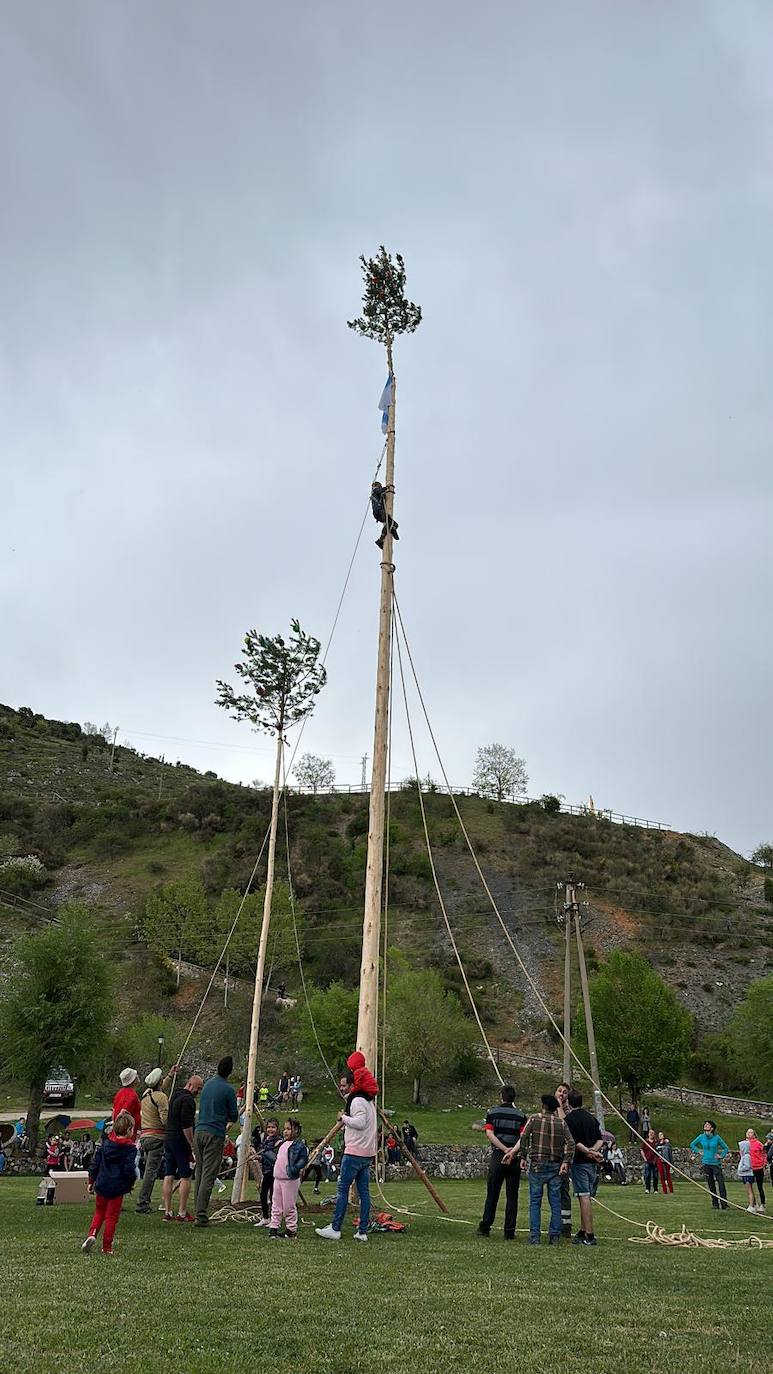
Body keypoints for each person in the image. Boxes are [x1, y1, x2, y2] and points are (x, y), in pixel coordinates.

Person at [316, 1052, 379, 1243]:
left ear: (353, 1084)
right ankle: (362, 1231)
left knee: (342, 1189)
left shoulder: (358, 1100)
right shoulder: (369, 1102)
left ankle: (335, 1228)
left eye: (344, 1085)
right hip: (366, 1153)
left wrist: (343, 1118)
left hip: (355, 1153)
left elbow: (359, 1123)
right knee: (364, 1193)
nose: (341, 1088)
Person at [516, 1093, 574, 1245]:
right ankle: (554, 1236)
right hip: (555, 1165)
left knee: (535, 1201)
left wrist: (523, 1156)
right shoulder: (561, 1123)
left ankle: (535, 1236)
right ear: (555, 1108)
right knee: (555, 1202)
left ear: (543, 1105)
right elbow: (571, 1143)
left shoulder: (534, 1119)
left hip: (537, 1164)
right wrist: (566, 1162)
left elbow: (523, 1138)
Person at [82, 1110, 137, 1255]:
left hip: (101, 1183)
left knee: (99, 1212)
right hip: (117, 1187)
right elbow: (129, 1168)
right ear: (129, 1130)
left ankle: (92, 1234)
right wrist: (131, 1182)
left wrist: (91, 1180)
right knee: (111, 1217)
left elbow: (95, 1163)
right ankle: (106, 1247)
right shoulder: (130, 1148)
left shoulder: (105, 1144)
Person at [194, 1056, 238, 1227]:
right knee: (209, 1175)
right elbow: (233, 1115)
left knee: (200, 1171)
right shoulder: (228, 1089)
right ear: (230, 1071)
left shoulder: (208, 1085)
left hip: (199, 1131)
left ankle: (197, 1209)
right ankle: (201, 1214)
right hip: (214, 1133)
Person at [477, 1084, 526, 1241]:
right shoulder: (521, 1116)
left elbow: (489, 1134)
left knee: (492, 1193)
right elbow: (523, 1137)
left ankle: (485, 1227)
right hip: (515, 1157)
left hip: (499, 1155)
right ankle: (509, 1230)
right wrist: (512, 1152)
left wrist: (504, 1150)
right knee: (512, 1195)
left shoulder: (492, 1113)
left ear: (501, 1096)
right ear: (514, 1098)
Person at [564, 1088, 604, 1246]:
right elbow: (600, 1139)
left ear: (569, 1102)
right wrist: (594, 1151)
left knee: (584, 1196)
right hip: (592, 1164)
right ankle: (582, 1229)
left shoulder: (570, 1119)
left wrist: (588, 1151)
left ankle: (590, 1234)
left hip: (580, 1163)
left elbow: (574, 1142)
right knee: (584, 1197)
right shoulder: (591, 1118)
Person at [135, 1064, 177, 1214]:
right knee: (151, 1172)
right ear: (159, 1082)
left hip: (145, 1138)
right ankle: (142, 1203)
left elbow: (159, 1089)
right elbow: (165, 1120)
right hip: (157, 1137)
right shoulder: (162, 1097)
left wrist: (170, 1075)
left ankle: (143, 1201)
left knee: (148, 1170)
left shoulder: (147, 1096)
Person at [162, 1074, 203, 1222]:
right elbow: (186, 1125)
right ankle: (182, 1212)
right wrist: (191, 1143)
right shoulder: (188, 1100)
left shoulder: (175, 1095)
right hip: (180, 1140)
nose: (198, 1092)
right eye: (198, 1088)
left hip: (168, 1137)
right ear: (190, 1085)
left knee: (169, 1174)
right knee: (185, 1175)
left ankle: (167, 1211)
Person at [268, 1119, 308, 1239]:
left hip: (289, 1179)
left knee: (288, 1206)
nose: (285, 1131)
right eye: (285, 1129)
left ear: (296, 1130)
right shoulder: (281, 1143)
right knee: (276, 1204)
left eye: (288, 1129)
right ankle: (273, 1227)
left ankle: (291, 1230)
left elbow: (303, 1160)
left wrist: (295, 1168)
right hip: (278, 1178)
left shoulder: (299, 1146)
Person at [690, 1120, 730, 1209]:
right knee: (711, 1184)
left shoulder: (717, 1138)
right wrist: (698, 1151)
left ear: (712, 1128)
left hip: (715, 1164)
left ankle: (724, 1204)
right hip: (706, 1163)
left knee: (721, 1184)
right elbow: (692, 1144)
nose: (706, 1125)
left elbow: (726, 1148)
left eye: (708, 1125)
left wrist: (721, 1156)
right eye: (705, 1124)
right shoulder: (701, 1137)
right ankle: (715, 1204)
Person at [255, 1118, 281, 1225]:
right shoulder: (266, 1140)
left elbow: (275, 1158)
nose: (271, 1129)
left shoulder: (279, 1141)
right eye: (269, 1127)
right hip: (266, 1171)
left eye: (273, 1127)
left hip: (274, 1171)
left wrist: (263, 1156)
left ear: (277, 1128)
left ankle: (275, 1219)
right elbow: (265, 1157)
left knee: (273, 1196)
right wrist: (258, 1158)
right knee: (263, 1194)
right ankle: (265, 1217)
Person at [555, 1082, 573, 1237]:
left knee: (563, 1190)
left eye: (565, 1092)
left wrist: (560, 1105)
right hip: (550, 1156)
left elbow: (564, 1124)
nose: (561, 1094)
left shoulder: (568, 1111)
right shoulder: (549, 1109)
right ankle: (555, 1224)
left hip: (563, 1157)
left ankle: (565, 1226)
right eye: (559, 1091)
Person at [738, 1129, 766, 1213]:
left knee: (759, 1186)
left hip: (758, 1167)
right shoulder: (744, 1144)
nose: (749, 1134)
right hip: (749, 1168)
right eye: (748, 1132)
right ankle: (753, 1203)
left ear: (754, 1135)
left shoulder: (758, 1143)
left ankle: (762, 1204)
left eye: (751, 1132)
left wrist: (763, 1163)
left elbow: (764, 1153)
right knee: (749, 1186)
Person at [113, 1068, 142, 1136]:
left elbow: (114, 1112)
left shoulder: (119, 1093)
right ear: (133, 1080)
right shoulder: (132, 1095)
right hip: (127, 1132)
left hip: (119, 1131)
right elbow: (123, 1112)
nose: (137, 1076)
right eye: (136, 1075)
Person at [371, 480, 399, 549]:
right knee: (389, 523)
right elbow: (379, 491)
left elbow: (381, 494)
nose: (380, 486)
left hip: (379, 512)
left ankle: (380, 540)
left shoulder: (379, 495)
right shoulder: (375, 490)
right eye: (379, 485)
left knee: (393, 524)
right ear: (376, 485)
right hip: (379, 511)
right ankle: (392, 530)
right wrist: (387, 488)